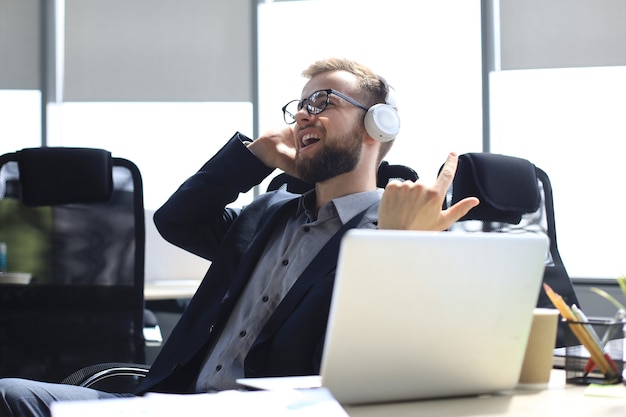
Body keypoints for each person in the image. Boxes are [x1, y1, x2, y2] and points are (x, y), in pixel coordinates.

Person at [0, 57, 478, 417]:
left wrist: (398, 244)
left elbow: (385, 359)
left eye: (323, 102)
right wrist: (253, 158)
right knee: (12, 395)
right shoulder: (268, 212)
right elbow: (177, 220)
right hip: (172, 402)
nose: (303, 116)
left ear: (378, 124)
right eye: (299, 107)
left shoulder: (400, 231)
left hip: (269, 411)